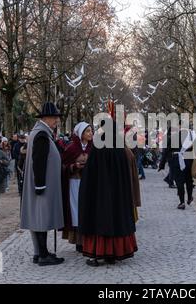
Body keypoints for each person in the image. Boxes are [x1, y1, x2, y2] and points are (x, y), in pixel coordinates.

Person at [78, 118, 139, 266]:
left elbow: (89, 175)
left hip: (99, 195)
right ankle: (113, 254)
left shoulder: (97, 149)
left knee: (99, 220)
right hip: (118, 196)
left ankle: (98, 254)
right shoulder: (120, 150)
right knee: (115, 218)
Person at [20, 102, 65, 266]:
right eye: (55, 118)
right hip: (42, 185)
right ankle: (43, 255)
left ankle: (40, 253)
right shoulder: (41, 135)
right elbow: (38, 162)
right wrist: (40, 185)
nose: (56, 121)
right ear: (46, 118)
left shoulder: (40, 133)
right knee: (41, 219)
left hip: (41, 184)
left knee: (40, 218)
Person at [61, 122, 93, 252]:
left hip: (90, 184)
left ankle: (89, 240)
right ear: (81, 134)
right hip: (75, 183)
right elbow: (63, 166)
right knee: (76, 211)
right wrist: (74, 166)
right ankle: (78, 241)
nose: (91, 133)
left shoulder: (94, 147)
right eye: (88, 131)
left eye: (91, 131)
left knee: (88, 209)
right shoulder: (71, 149)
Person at [158, 126, 195, 209]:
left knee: (179, 182)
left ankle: (182, 202)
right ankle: (189, 198)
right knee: (189, 181)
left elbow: (166, 151)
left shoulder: (173, 137)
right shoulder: (191, 138)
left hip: (176, 161)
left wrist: (162, 164)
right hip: (189, 161)